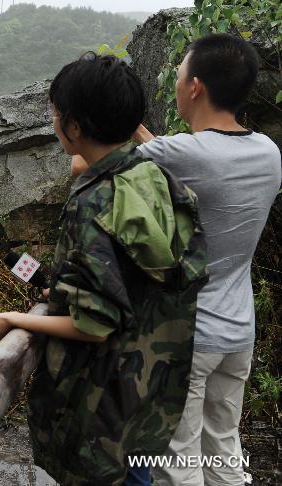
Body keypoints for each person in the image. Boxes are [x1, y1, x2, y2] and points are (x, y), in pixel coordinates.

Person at [0, 52, 209, 486]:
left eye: (56, 113)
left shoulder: (95, 202)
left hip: (102, 408)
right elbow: (140, 278)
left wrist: (12, 318)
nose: (53, 122)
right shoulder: (155, 177)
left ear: (76, 126)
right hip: (150, 399)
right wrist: (65, 290)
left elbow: (95, 325)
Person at [84, 33, 279, 486]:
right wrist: (138, 130)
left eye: (178, 76)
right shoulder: (268, 153)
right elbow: (181, 157)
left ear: (195, 87)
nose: (175, 84)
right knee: (224, 453)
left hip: (187, 336)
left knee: (178, 463)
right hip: (236, 334)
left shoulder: (182, 153)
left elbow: (90, 168)